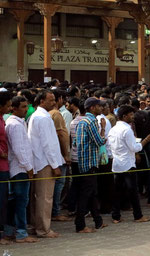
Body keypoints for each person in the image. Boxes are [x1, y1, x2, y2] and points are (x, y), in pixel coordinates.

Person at [28, 90, 64, 238]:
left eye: (54, 99)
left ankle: (38, 225)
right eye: (51, 100)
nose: (54, 102)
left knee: (39, 197)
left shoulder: (39, 116)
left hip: (41, 161)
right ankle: (43, 229)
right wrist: (55, 165)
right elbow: (47, 144)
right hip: (45, 163)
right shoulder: (42, 118)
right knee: (45, 197)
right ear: (42, 101)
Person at [108, 105, 150, 224]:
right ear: (124, 116)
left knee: (118, 191)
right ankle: (138, 216)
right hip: (127, 163)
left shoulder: (113, 129)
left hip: (117, 163)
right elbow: (134, 147)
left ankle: (116, 216)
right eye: (131, 115)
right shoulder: (126, 130)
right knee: (132, 191)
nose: (133, 117)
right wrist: (146, 140)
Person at [5, 96, 38, 243]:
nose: (26, 110)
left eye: (27, 107)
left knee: (15, 201)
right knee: (20, 201)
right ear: (14, 108)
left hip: (19, 168)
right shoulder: (15, 125)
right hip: (19, 169)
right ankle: (20, 233)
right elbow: (19, 150)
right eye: (23, 107)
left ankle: (11, 230)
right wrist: (29, 168)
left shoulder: (19, 123)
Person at [74, 97, 107, 233]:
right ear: (92, 108)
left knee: (92, 192)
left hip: (82, 161)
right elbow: (99, 142)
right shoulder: (92, 121)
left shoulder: (81, 121)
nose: (101, 108)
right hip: (89, 162)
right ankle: (80, 225)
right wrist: (103, 130)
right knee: (86, 194)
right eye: (99, 106)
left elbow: (76, 143)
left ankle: (98, 220)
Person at [49, 89, 71, 221]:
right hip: (59, 154)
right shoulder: (56, 114)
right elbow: (62, 134)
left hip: (55, 153)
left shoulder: (49, 113)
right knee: (59, 184)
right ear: (60, 99)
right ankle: (56, 211)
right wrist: (66, 154)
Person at [0, 92, 12, 245]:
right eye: (8, 105)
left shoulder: (2, 119)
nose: (10, 107)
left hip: (4, 166)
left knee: (3, 200)